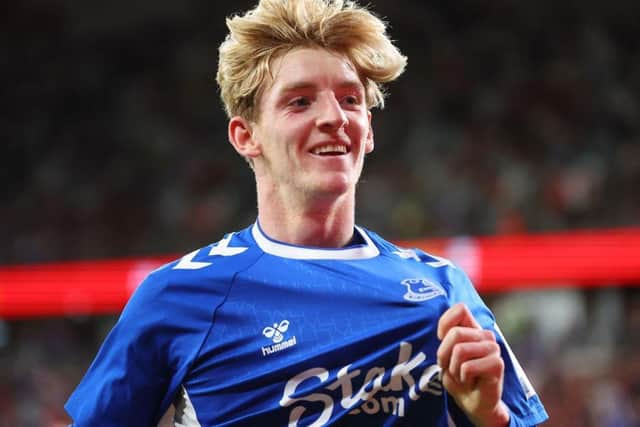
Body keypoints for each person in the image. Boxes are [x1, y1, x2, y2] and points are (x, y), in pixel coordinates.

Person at [65, 0, 548, 425]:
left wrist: (492, 418)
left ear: (369, 131)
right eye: (300, 101)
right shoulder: (178, 298)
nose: (334, 117)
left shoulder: (443, 292)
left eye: (350, 99)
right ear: (246, 136)